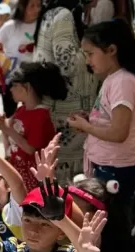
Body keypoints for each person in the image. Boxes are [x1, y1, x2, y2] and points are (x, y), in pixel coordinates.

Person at [67, 20, 135, 214]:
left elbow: (119, 132)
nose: (87, 61)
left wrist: (87, 127)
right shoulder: (115, 79)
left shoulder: (123, 82)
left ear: (111, 50)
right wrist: (89, 120)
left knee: (111, 222)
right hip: (110, 164)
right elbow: (111, 119)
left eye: (90, 54)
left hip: (117, 166)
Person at [32, 0, 98, 182]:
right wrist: (90, 50)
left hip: (56, 106)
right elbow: (66, 63)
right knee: (67, 177)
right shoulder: (64, 15)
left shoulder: (51, 13)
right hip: (67, 109)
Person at [0, 62, 67, 192]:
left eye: (14, 85)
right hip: (17, 170)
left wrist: (8, 130)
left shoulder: (41, 115)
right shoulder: (21, 110)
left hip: (31, 175)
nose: (11, 89)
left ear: (27, 87)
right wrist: (4, 125)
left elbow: (31, 149)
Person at [0, 0, 42, 117]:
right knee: (11, 114)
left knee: (31, 114)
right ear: (23, 7)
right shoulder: (10, 26)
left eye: (39, 5)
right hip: (11, 79)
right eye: (32, 5)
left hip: (33, 79)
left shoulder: (43, 26)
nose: (37, 9)